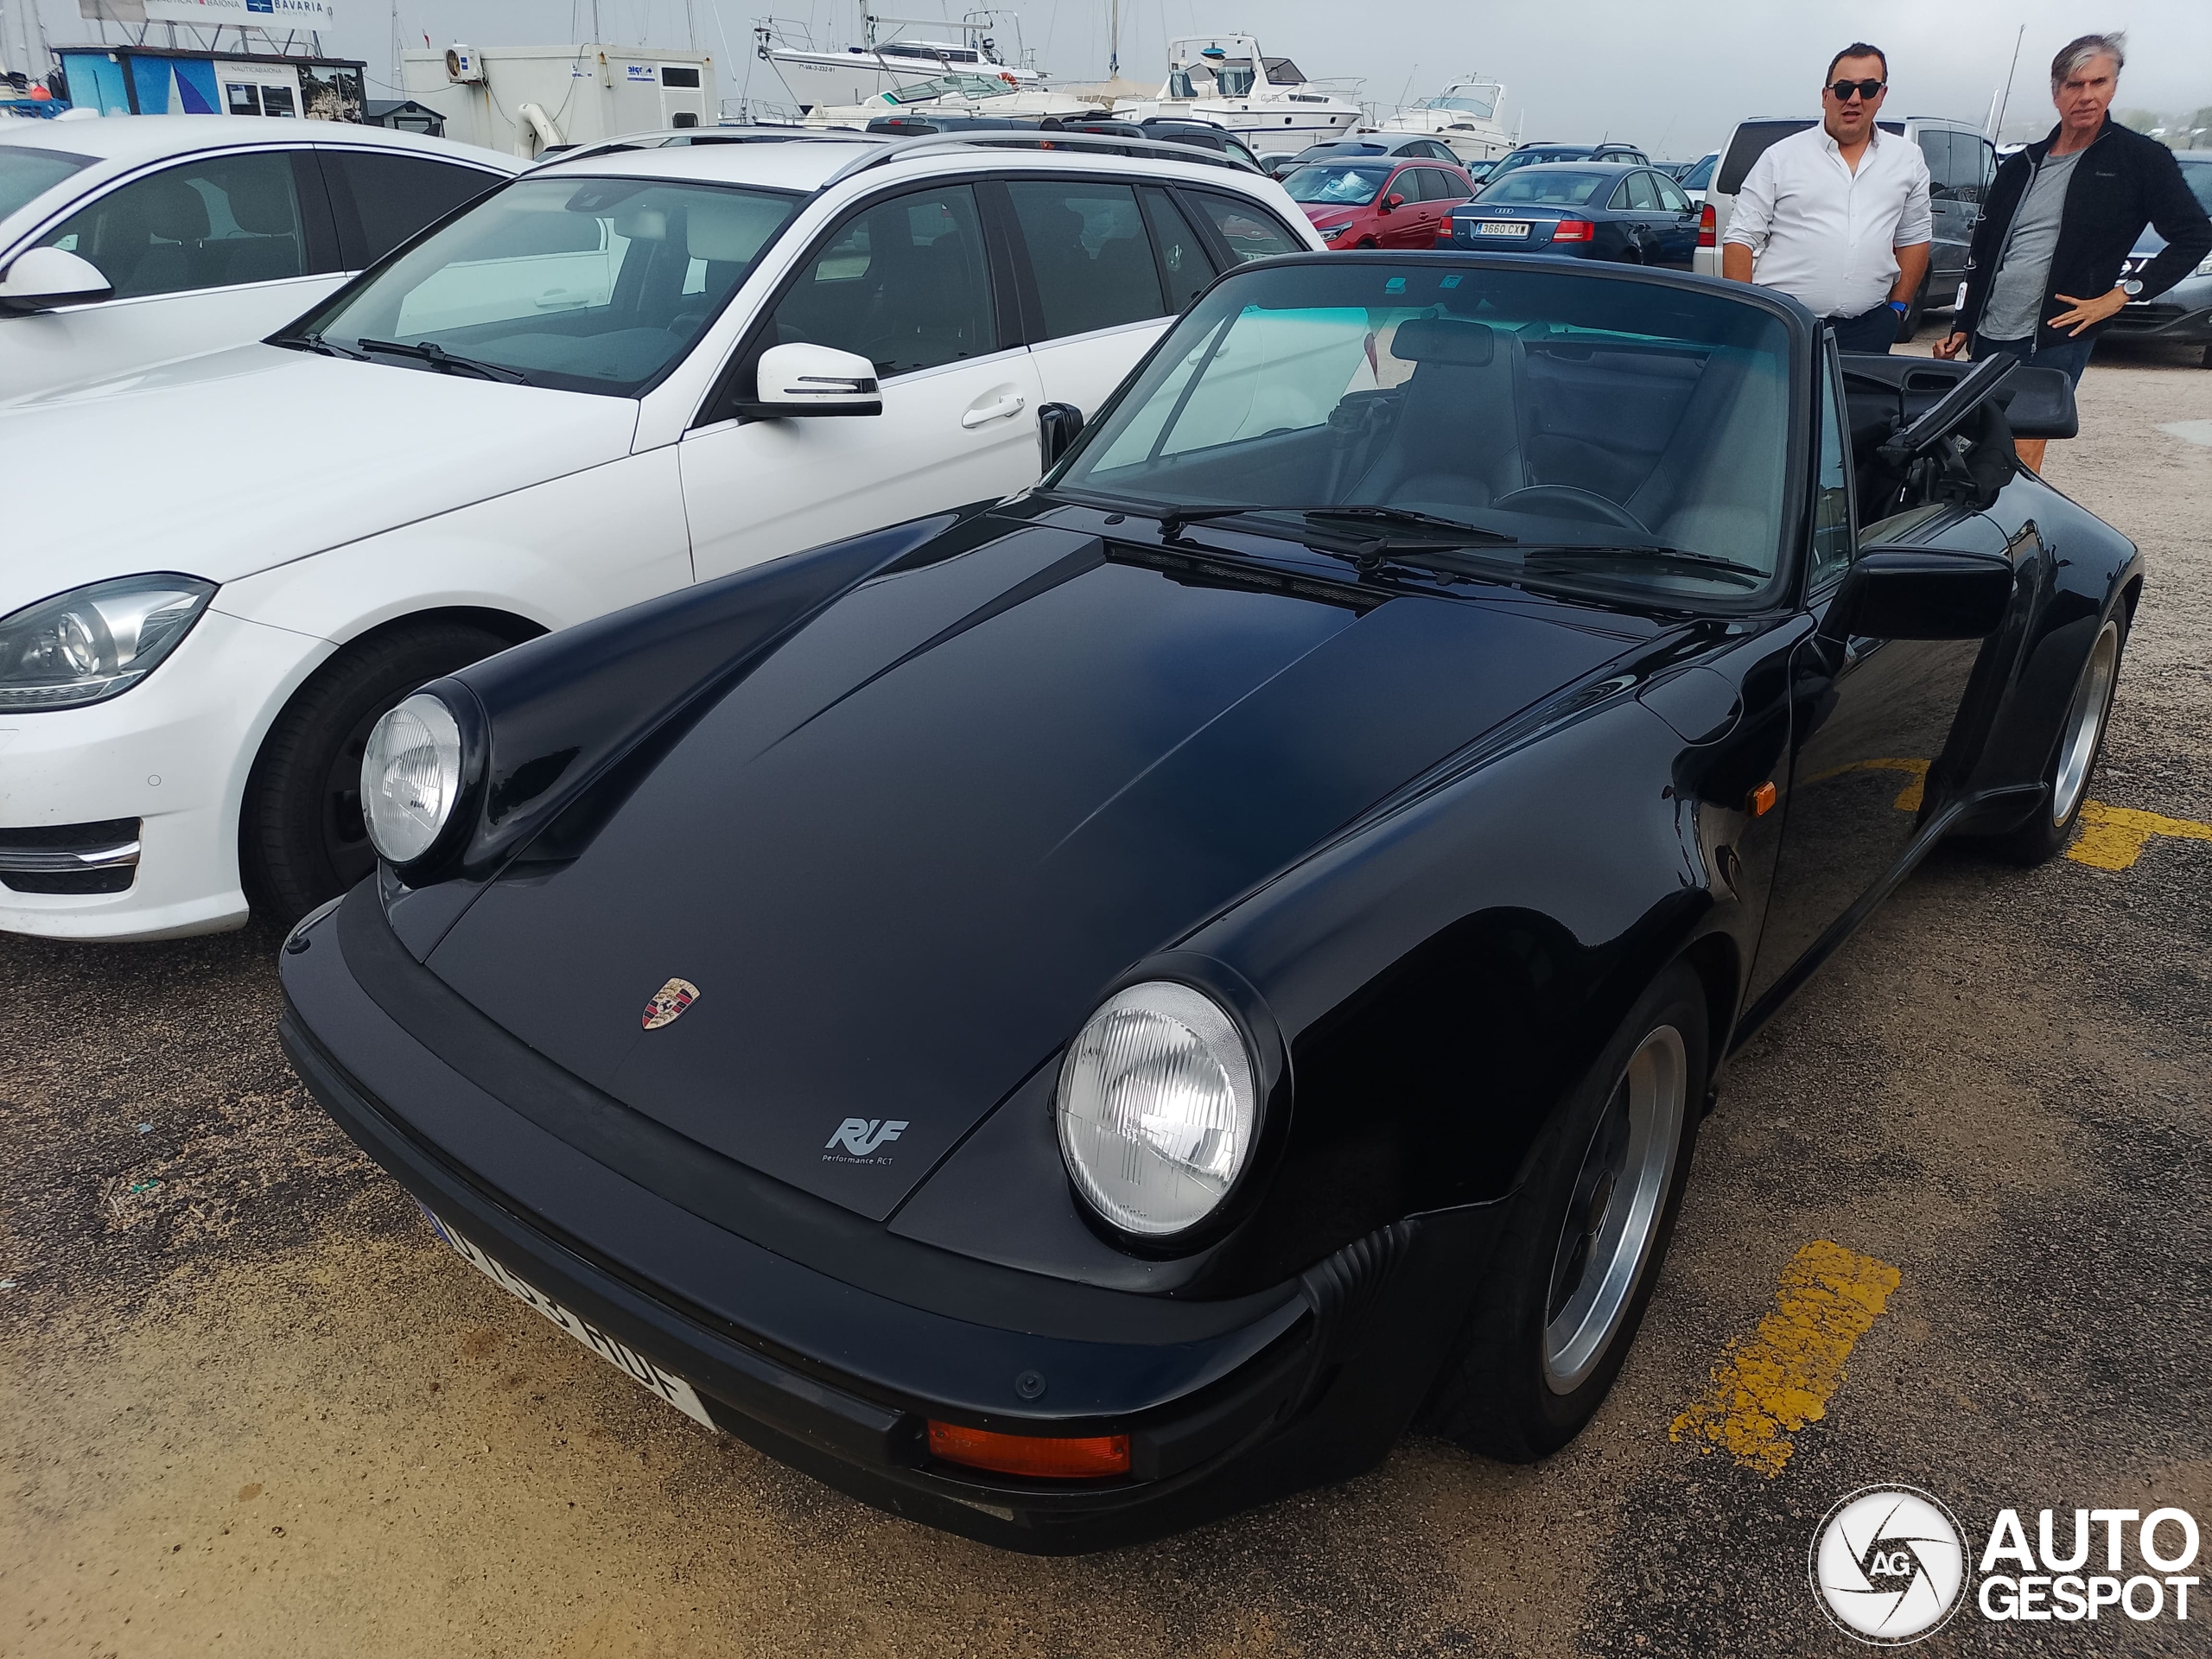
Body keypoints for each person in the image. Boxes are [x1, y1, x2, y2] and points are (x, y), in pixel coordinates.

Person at [1936, 32, 2212, 470]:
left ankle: (2014, 529)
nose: (2086, 96)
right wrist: (1963, 323)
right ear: (2055, 92)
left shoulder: (2140, 160)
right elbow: (1983, 252)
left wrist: (2122, 295)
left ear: (2113, 86)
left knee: (2023, 449)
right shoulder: (2021, 164)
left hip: (2057, 333)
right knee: (1977, 439)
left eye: (2097, 82)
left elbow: (2195, 235)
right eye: (2073, 85)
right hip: (1992, 329)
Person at [1722, 43, 1932, 353]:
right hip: (1787, 328)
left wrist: (1897, 308)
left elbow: (1914, 236)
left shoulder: (1907, 159)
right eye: (1844, 88)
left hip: (1868, 331)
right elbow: (1740, 238)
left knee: (1859, 404)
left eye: (1868, 88)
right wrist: (1748, 317)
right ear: (1825, 96)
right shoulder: (1781, 158)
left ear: (1882, 95)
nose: (1855, 99)